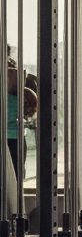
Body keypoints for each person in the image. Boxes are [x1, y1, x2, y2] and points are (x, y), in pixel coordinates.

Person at [6, 53, 37, 181]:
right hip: (13, 139)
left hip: (15, 140)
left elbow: (30, 114)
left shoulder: (23, 95)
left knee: (15, 180)